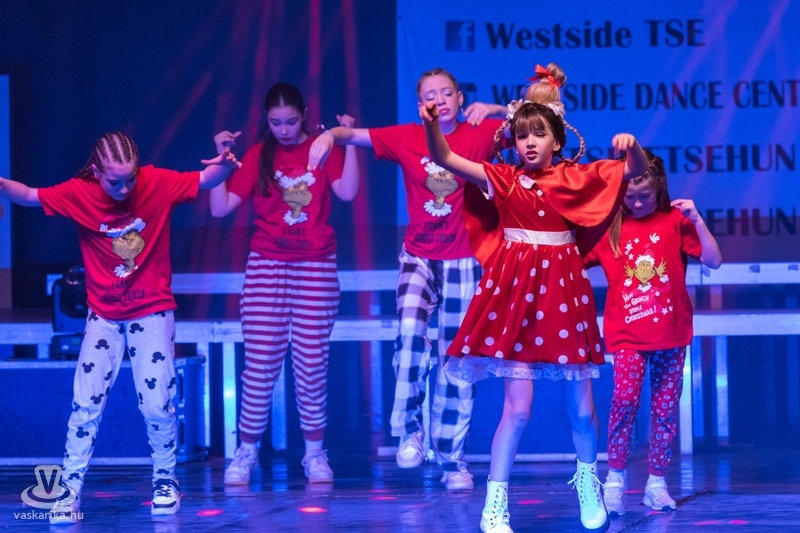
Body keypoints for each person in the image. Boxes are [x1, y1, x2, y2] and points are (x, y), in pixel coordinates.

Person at [421, 98, 647, 532]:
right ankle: (494, 504)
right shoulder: (503, 179)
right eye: (522, 135)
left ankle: (588, 483)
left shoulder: (576, 177)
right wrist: (432, 126)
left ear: (557, 140)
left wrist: (632, 145)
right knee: (517, 409)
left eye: (539, 134)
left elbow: (634, 169)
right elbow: (444, 157)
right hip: (517, 301)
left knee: (582, 410)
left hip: (564, 296)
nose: (529, 142)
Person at [0, 131, 240, 524]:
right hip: (104, 316)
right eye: (115, 181)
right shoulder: (79, 193)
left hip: (152, 310)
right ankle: (69, 489)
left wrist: (224, 165)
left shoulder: (156, 182)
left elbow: (204, 180)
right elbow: (28, 195)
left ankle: (165, 480)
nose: (125, 188)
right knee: (86, 403)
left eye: (130, 179)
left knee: (157, 402)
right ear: (96, 172)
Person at [307, 67, 506, 490]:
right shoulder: (406, 137)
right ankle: (410, 430)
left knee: (457, 358)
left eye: (447, 92)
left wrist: (496, 108)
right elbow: (351, 135)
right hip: (418, 255)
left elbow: (546, 120)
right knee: (411, 333)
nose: (440, 100)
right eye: (431, 94)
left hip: (464, 258)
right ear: (421, 106)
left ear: (460, 98)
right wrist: (329, 137)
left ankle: (452, 460)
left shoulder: (481, 133)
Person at [210, 83, 359, 485]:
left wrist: (347, 141)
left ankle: (314, 453)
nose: (284, 130)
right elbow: (221, 207)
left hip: (315, 265)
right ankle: (246, 451)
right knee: (260, 364)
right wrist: (222, 163)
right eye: (276, 122)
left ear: (304, 114)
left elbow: (347, 192)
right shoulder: (260, 155)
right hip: (267, 265)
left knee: (311, 363)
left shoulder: (322, 147)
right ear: (266, 120)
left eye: (291, 121)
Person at [584, 151, 722, 515]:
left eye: (644, 195)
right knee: (624, 402)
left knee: (664, 409)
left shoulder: (675, 221)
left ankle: (656, 484)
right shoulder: (608, 227)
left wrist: (697, 219)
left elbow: (714, 260)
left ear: (659, 187)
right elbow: (571, 259)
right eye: (629, 196)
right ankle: (615, 482)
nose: (637, 202)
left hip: (671, 335)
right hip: (628, 336)